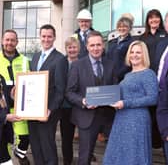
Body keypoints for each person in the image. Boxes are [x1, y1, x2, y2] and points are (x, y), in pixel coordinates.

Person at [103, 40, 158, 165]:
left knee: (133, 155)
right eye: (132, 52)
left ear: (144, 55)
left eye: (138, 52)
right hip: (121, 119)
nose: (134, 55)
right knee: (119, 154)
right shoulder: (127, 75)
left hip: (137, 120)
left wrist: (125, 103)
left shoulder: (148, 74)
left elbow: (153, 98)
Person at [66, 31, 117, 165]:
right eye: (92, 45)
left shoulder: (111, 64)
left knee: (117, 151)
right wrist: (83, 101)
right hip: (86, 117)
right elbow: (70, 92)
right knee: (85, 156)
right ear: (87, 47)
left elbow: (115, 87)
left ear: (103, 46)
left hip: (108, 116)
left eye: (98, 45)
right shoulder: (77, 65)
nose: (96, 48)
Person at [29, 24, 68, 165]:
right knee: (35, 147)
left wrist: (50, 110)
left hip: (48, 112)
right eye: (43, 36)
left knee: (48, 148)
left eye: (49, 36)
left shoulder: (60, 59)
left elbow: (60, 89)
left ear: (54, 38)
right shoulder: (35, 57)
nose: (46, 39)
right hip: (32, 111)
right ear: (40, 37)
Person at [0, 29, 30, 165]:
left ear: (17, 42)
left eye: (12, 40)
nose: (9, 43)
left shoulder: (24, 60)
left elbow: (31, 82)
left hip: (20, 109)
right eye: (7, 40)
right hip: (3, 110)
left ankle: (20, 153)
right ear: (2, 41)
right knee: (4, 143)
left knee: (24, 139)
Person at [139, 9, 167, 148]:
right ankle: (150, 140)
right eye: (151, 18)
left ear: (161, 20)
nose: (154, 20)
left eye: (156, 18)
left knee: (160, 108)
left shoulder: (165, 35)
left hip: (161, 77)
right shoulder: (143, 37)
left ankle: (159, 140)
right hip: (146, 76)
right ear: (147, 21)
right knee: (149, 109)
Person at [60, 36, 79, 165]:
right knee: (66, 137)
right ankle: (68, 161)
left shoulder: (84, 62)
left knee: (84, 135)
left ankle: (87, 156)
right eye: (69, 47)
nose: (72, 50)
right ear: (66, 49)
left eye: (74, 47)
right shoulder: (61, 62)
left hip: (80, 105)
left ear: (79, 48)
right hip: (65, 106)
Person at [0, 74, 21, 165]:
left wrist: (13, 98)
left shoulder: (1, 78)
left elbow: (5, 101)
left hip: (3, 133)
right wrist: (5, 117)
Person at [106, 17, 134, 81]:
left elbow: (130, 61)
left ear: (129, 28)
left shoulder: (132, 42)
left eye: (124, 26)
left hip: (124, 77)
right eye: (119, 26)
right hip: (110, 77)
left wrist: (118, 74)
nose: (121, 29)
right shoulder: (112, 42)